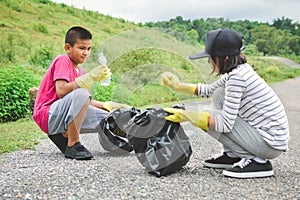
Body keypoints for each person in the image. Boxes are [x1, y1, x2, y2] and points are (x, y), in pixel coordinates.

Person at [161, 28, 289, 178]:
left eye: (211, 57)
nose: (208, 61)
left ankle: (259, 162)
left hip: (269, 144)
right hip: (267, 136)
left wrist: (189, 116)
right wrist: (177, 85)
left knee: (206, 115)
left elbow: (226, 124)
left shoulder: (237, 78)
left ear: (225, 58)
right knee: (219, 93)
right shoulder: (238, 71)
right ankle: (232, 155)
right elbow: (208, 90)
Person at [33, 26, 128, 160]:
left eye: (89, 49)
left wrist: (109, 105)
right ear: (68, 48)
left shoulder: (81, 73)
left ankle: (126, 140)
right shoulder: (63, 60)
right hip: (48, 114)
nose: (86, 53)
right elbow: (61, 91)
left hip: (63, 114)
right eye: (82, 48)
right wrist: (90, 77)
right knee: (81, 91)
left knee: (110, 117)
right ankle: (73, 144)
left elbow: (83, 102)